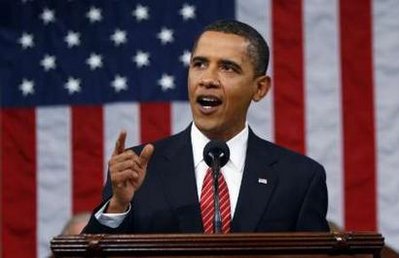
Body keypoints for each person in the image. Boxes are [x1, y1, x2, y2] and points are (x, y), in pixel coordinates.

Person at [83, 19, 329, 234]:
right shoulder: (137, 169)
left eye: (227, 68)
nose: (208, 79)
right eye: (199, 64)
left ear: (260, 88)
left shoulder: (299, 179)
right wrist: (117, 206)